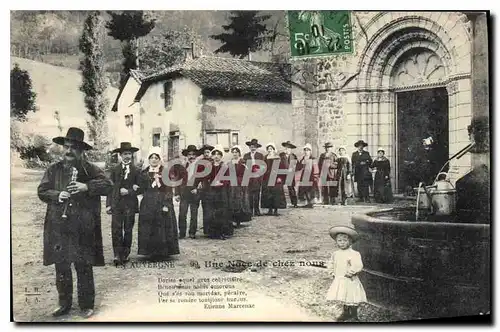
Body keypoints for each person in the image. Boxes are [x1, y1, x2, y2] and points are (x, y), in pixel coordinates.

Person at [37, 127, 112, 318]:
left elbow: (108, 186)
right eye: (66, 147)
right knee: (61, 266)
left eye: (74, 148)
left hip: (83, 227)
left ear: (81, 151)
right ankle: (64, 304)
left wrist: (86, 186)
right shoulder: (53, 169)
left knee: (83, 265)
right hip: (59, 226)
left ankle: (86, 305)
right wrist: (57, 194)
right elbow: (42, 190)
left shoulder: (91, 169)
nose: (69, 151)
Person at [136, 147, 180, 260]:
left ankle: (163, 252)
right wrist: (136, 187)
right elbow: (142, 188)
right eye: (152, 158)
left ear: (160, 159)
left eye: (156, 158)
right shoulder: (144, 172)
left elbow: (169, 189)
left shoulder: (165, 171)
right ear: (149, 159)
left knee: (162, 226)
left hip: (162, 201)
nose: (154, 160)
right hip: (148, 203)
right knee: (149, 226)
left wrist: (166, 204)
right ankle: (150, 251)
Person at [106, 142, 141, 266]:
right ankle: (117, 254)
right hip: (116, 203)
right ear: (120, 155)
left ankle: (125, 253)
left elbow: (140, 188)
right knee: (116, 229)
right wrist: (108, 204)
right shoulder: (114, 169)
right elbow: (110, 188)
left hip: (130, 204)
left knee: (128, 229)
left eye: (129, 154)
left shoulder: (136, 170)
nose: (127, 156)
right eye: (125, 154)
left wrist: (130, 191)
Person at [326, 225, 367, 322]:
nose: (342, 243)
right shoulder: (336, 254)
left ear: (350, 242)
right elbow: (331, 263)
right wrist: (331, 272)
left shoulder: (354, 253)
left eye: (345, 241)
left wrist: (351, 272)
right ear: (336, 242)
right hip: (340, 278)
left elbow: (357, 265)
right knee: (343, 295)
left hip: (350, 279)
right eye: (340, 241)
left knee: (352, 296)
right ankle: (345, 313)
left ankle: (353, 315)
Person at [205, 145, 233, 239]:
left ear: (221, 156)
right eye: (214, 154)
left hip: (222, 191)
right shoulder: (210, 166)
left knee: (222, 211)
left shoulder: (225, 166)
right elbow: (206, 178)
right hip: (212, 191)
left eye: (218, 154)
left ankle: (223, 232)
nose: (216, 156)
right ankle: (213, 232)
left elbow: (229, 178)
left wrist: (222, 183)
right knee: (212, 211)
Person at [178, 145, 203, 239]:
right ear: (187, 156)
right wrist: (177, 193)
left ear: (196, 155)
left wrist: (197, 189)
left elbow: (203, 180)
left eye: (193, 154)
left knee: (194, 213)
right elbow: (178, 180)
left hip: (194, 192)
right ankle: (182, 232)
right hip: (184, 192)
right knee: (182, 213)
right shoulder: (183, 166)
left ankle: (192, 232)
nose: (191, 156)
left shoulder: (200, 166)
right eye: (189, 154)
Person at [227, 145, 252, 227]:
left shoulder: (242, 162)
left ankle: (239, 220)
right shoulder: (230, 162)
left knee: (240, 201)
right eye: (233, 152)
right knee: (232, 201)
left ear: (239, 153)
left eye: (236, 152)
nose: (235, 154)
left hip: (240, 185)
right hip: (231, 185)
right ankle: (233, 220)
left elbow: (246, 174)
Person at [261, 143, 287, 216]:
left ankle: (275, 209)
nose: (269, 150)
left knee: (276, 194)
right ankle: (269, 209)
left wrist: (280, 177)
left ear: (273, 149)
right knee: (268, 193)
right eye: (268, 149)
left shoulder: (277, 158)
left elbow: (282, 168)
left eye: (271, 149)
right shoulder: (265, 157)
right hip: (267, 177)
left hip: (276, 178)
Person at [242, 138, 265, 216]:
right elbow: (243, 165)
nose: (253, 148)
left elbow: (263, 166)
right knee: (250, 194)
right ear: (249, 147)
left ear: (257, 147)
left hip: (257, 177)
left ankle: (257, 210)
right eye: (251, 146)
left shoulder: (260, 155)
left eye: (254, 146)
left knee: (257, 193)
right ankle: (250, 210)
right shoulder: (246, 155)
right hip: (249, 177)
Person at [197, 144, 214, 235]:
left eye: (208, 152)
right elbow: (198, 174)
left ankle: (212, 227)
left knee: (212, 208)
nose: (206, 154)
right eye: (205, 153)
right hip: (204, 187)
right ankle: (206, 229)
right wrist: (200, 182)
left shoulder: (213, 161)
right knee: (205, 207)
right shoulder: (200, 162)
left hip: (212, 186)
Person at [297, 143, 319, 208]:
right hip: (304, 176)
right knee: (304, 189)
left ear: (310, 151)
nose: (306, 152)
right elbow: (299, 167)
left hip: (311, 176)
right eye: (305, 150)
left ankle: (311, 203)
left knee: (311, 189)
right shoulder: (303, 159)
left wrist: (315, 176)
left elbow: (316, 168)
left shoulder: (313, 159)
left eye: (308, 150)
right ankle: (306, 202)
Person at [281, 141, 298, 207]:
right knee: (281, 188)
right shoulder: (281, 155)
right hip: (282, 173)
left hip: (290, 174)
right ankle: (282, 203)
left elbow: (297, 165)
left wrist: (293, 169)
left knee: (291, 188)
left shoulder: (293, 156)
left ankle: (294, 203)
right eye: (286, 148)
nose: (287, 149)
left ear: (291, 149)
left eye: (289, 148)